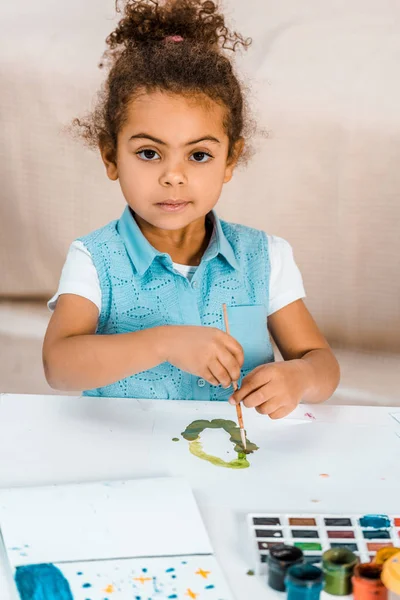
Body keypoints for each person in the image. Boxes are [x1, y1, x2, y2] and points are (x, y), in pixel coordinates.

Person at [43, 0, 340, 418]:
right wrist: (163, 342)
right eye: (149, 153)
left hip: (234, 459)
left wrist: (300, 378)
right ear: (110, 156)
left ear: (230, 161)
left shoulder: (264, 257)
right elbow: (59, 366)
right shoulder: (95, 259)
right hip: (126, 459)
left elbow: (321, 363)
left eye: (198, 156)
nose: (173, 176)